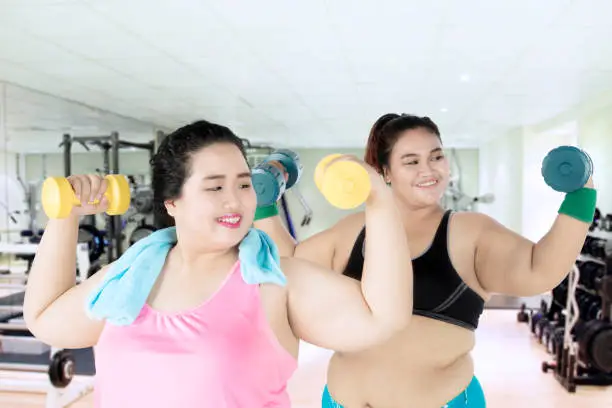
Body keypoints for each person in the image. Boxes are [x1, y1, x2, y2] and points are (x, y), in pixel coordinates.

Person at [22, 120, 414, 408]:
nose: (235, 200)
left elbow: (384, 318)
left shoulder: (275, 281)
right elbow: (44, 317)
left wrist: (378, 199)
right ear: (172, 202)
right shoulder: (128, 278)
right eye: (215, 187)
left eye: (243, 184)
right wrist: (66, 215)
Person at [255, 113, 596, 408]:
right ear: (384, 172)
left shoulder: (468, 231)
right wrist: (265, 201)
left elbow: (540, 269)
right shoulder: (354, 230)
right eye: (411, 161)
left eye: (436, 157)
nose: (429, 170)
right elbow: (289, 263)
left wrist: (581, 193)